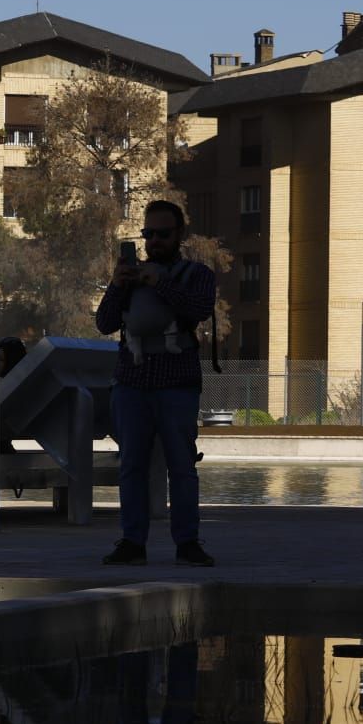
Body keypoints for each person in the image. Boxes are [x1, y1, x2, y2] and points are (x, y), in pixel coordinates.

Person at [95, 201, 217, 567]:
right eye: (148, 234)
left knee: (182, 466)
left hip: (177, 383)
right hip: (131, 383)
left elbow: (197, 310)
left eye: (163, 234)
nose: (154, 241)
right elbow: (104, 323)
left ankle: (187, 542)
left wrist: (159, 282)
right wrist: (118, 285)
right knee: (131, 465)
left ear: (179, 235)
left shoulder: (197, 274)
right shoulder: (128, 277)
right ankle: (132, 542)